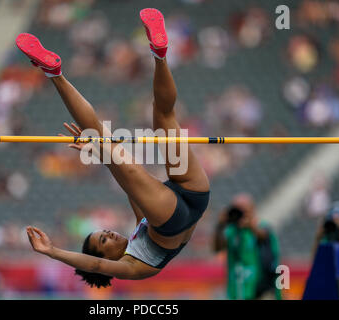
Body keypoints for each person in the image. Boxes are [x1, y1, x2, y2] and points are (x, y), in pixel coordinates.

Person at [17, 8, 210, 288]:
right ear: (106, 258)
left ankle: (160, 53)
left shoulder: (137, 235)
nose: (107, 233)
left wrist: (103, 155)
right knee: (103, 137)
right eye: (104, 241)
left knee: (163, 117)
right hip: (175, 213)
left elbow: (130, 183)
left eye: (101, 233)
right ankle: (54, 74)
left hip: (192, 196)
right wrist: (52, 251)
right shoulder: (131, 267)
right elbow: (94, 264)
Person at [213, 193, 281, 300]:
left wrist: (250, 224)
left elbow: (263, 236)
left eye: (243, 210)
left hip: (260, 289)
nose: (240, 214)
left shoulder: (262, 227)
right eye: (237, 210)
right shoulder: (231, 231)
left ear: (252, 210)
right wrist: (220, 225)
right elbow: (217, 247)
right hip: (236, 289)